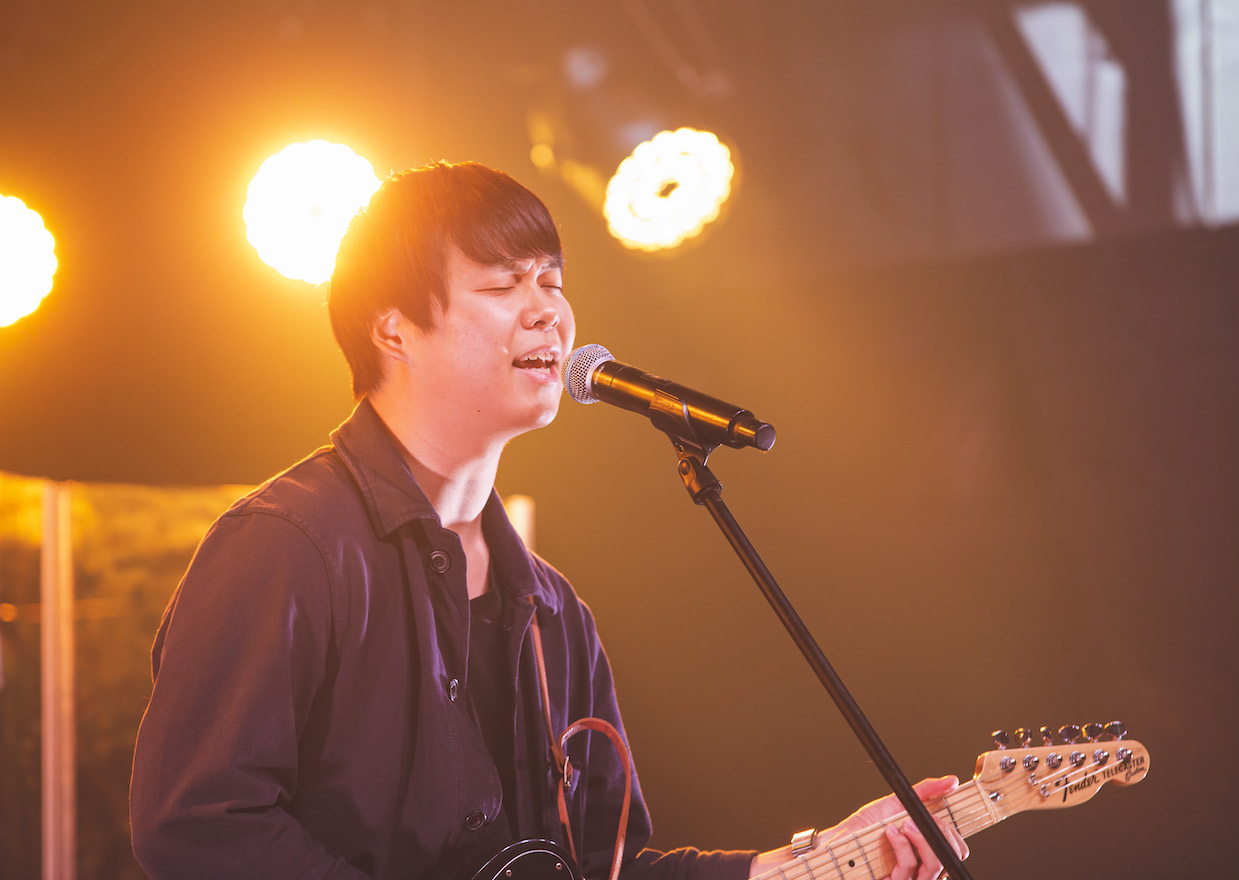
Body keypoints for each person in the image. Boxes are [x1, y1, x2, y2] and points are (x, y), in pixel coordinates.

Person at [129, 161, 969, 880]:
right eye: (502, 285)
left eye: (552, 281)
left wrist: (810, 862)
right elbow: (198, 824)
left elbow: (605, 866)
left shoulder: (555, 613)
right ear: (393, 329)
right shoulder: (287, 546)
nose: (547, 313)